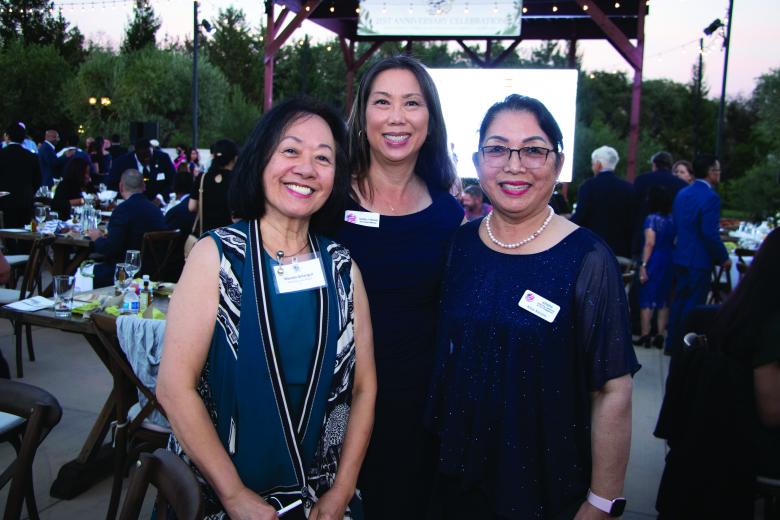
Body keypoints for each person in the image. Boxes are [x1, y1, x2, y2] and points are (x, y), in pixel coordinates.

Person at [157, 98, 376, 519]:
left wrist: (341, 491)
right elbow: (173, 388)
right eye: (290, 151)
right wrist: (235, 495)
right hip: (221, 493)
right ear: (261, 160)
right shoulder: (217, 256)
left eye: (323, 158)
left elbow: (365, 389)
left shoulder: (343, 267)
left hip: (320, 499)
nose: (306, 168)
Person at [426, 94, 639, 519]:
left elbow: (612, 389)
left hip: (543, 486)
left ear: (557, 165)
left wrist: (601, 501)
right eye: (498, 148)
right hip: (452, 481)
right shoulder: (459, 245)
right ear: (478, 160)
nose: (514, 165)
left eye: (534, 150)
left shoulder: (588, 259)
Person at [334, 55, 463, 519]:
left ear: (430, 120)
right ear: (362, 114)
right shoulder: (328, 201)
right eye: (382, 101)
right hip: (330, 404)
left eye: (412, 103)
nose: (396, 117)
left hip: (415, 411)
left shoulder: (447, 213)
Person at [709, 228, 780, 480]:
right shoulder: (772, 328)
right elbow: (771, 414)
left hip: (721, 437)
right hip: (753, 445)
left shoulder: (738, 311)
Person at [666, 153, 731, 353]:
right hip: (699, 258)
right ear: (711, 172)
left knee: (679, 301)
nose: (719, 174)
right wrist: (723, 257)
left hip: (681, 254)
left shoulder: (683, 193)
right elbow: (709, 232)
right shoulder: (711, 197)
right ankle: (687, 344)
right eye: (717, 170)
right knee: (694, 303)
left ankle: (672, 343)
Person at [86, 169, 166, 288]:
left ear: (121, 186)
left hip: (124, 273)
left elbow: (111, 249)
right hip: (153, 271)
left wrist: (97, 239)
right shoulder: (156, 211)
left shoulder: (122, 211)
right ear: (143, 186)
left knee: (81, 273)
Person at [571, 145, 637, 258]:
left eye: (593, 164)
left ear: (598, 164)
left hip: (593, 248)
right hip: (621, 251)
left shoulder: (588, 186)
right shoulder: (629, 188)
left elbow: (580, 218)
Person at [636, 185, 675, 349]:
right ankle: (660, 334)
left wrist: (644, 264)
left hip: (655, 259)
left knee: (647, 297)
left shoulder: (652, 219)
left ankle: (645, 334)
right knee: (663, 299)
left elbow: (649, 243)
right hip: (669, 259)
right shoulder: (672, 219)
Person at [188, 139, 238, 233]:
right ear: (235, 158)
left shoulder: (202, 177)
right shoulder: (238, 180)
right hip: (230, 235)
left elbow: (191, 207)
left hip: (207, 235)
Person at [0, 122, 42, 228]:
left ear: (7, 136)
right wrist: (29, 192)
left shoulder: (2, 155)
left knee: (7, 236)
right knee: (24, 234)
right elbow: (38, 180)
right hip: (25, 201)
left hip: (4, 202)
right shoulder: (31, 157)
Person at [108, 139, 175, 203]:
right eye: (143, 156)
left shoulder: (163, 158)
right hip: (131, 202)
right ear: (136, 152)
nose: (147, 159)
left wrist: (160, 198)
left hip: (159, 202)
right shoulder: (121, 163)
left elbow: (173, 180)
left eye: (149, 155)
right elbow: (112, 185)